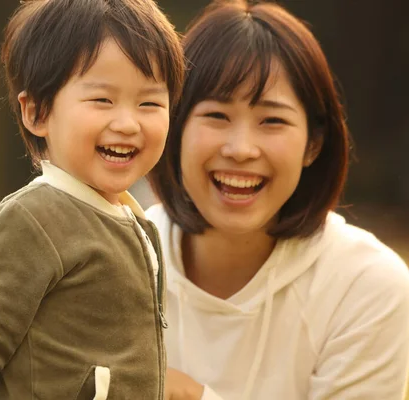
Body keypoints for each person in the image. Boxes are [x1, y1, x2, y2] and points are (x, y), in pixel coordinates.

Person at [0, 0, 185, 398]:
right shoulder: (33, 219)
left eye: (149, 103)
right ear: (38, 112)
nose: (128, 123)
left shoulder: (135, 221)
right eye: (102, 100)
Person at [146, 1, 409, 399]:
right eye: (216, 115)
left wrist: (192, 396)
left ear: (313, 144)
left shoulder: (365, 286)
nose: (241, 149)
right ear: (175, 128)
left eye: (272, 120)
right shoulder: (119, 258)